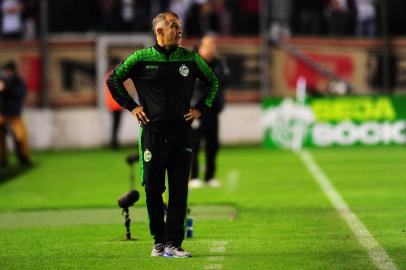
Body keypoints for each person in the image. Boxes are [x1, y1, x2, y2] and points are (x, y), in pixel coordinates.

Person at [107, 11, 219, 258]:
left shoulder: (190, 58)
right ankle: (158, 242)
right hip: (152, 135)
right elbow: (114, 80)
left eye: (179, 27)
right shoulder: (140, 58)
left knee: (179, 191)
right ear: (159, 31)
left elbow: (213, 81)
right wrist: (132, 107)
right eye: (174, 27)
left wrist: (200, 109)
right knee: (153, 190)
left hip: (181, 135)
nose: (179, 31)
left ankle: (174, 244)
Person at [189, 35, 230, 188]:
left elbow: (226, 79)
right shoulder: (194, 62)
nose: (210, 48)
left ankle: (210, 177)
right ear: (200, 48)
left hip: (213, 110)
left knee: (212, 145)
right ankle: (194, 177)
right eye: (207, 45)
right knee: (194, 144)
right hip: (197, 110)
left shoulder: (219, 63)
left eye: (213, 45)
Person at [0, 60, 31, 167]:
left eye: (8, 71)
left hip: (14, 114)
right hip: (2, 113)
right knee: (0, 138)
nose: (7, 73)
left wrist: (7, 87)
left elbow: (20, 94)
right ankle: (2, 159)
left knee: (20, 137)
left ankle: (23, 158)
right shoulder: (3, 80)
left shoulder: (17, 82)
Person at [104, 59, 123, 150]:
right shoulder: (114, 75)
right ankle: (114, 143)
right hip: (116, 104)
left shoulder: (107, 75)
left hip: (112, 104)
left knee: (115, 124)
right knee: (116, 124)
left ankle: (114, 142)